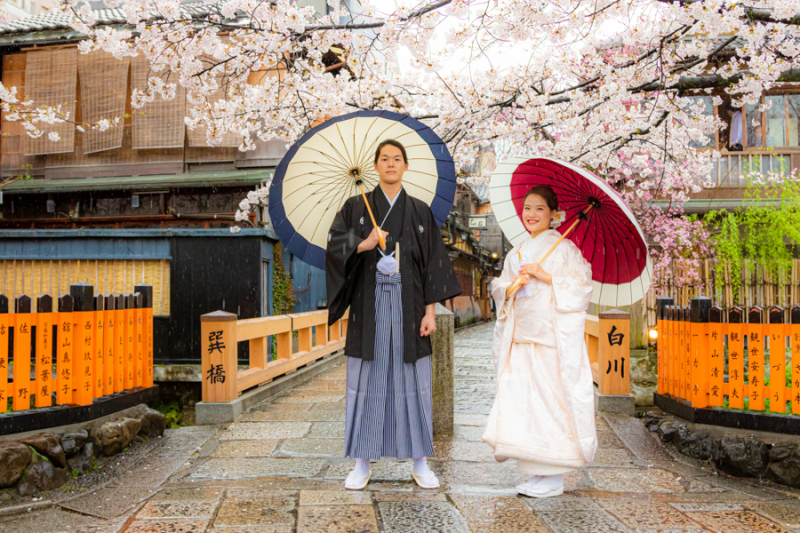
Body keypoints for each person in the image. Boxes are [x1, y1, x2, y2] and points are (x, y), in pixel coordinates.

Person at [325, 139, 462, 490]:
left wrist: (431, 311)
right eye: (384, 159)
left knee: (412, 383)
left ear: (405, 166)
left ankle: (419, 462)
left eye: (396, 159)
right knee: (366, 380)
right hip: (368, 308)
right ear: (375, 165)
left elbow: (433, 263)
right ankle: (361, 463)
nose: (390, 164)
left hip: (409, 305)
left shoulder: (418, 210)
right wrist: (364, 243)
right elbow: (335, 245)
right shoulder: (356, 206)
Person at [482, 185, 597, 498]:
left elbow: (583, 287)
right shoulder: (517, 251)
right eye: (527, 208)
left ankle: (554, 475)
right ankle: (535, 471)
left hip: (549, 340)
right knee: (525, 406)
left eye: (539, 209)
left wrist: (548, 276)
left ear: (553, 214)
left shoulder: (566, 249)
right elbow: (499, 287)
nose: (531, 215)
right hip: (521, 340)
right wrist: (509, 286)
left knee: (550, 405)